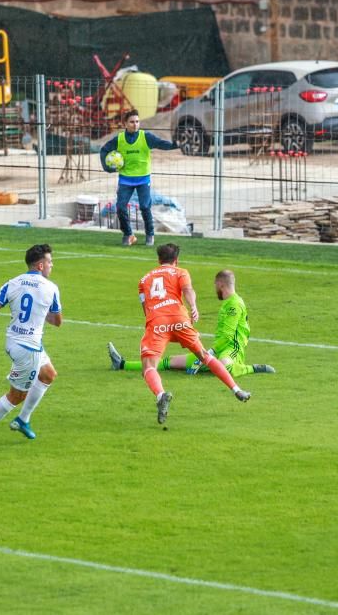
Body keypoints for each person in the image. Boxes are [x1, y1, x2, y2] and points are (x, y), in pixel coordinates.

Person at [133, 243, 251, 425]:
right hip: (180, 318)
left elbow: (144, 305)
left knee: (149, 367)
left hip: (157, 321)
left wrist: (153, 321)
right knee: (205, 356)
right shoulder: (181, 272)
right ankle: (237, 390)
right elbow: (188, 290)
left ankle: (161, 395)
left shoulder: (144, 280)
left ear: (158, 260)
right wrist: (193, 306)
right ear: (176, 260)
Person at [0, 244, 62, 447]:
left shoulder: (13, 283)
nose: (52, 266)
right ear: (41, 265)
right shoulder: (51, 288)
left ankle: (23, 420)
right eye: (50, 262)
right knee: (16, 396)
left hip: (13, 341)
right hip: (29, 349)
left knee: (48, 374)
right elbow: (57, 321)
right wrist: (41, 315)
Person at [107, 268, 276, 377]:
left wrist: (207, 353)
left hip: (232, 349)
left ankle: (253, 368)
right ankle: (122, 364)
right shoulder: (227, 302)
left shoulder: (234, 305)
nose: (214, 288)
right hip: (217, 349)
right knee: (172, 362)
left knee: (225, 366)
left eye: (215, 285)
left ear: (220, 284)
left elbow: (228, 337)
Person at [100, 109, 179, 247]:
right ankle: (128, 234)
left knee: (144, 206)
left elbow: (161, 143)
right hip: (125, 179)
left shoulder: (145, 137)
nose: (135, 124)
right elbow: (104, 150)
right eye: (132, 122)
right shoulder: (119, 139)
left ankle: (150, 234)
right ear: (125, 124)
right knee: (120, 207)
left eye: (137, 121)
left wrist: (175, 145)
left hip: (143, 179)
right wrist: (107, 168)